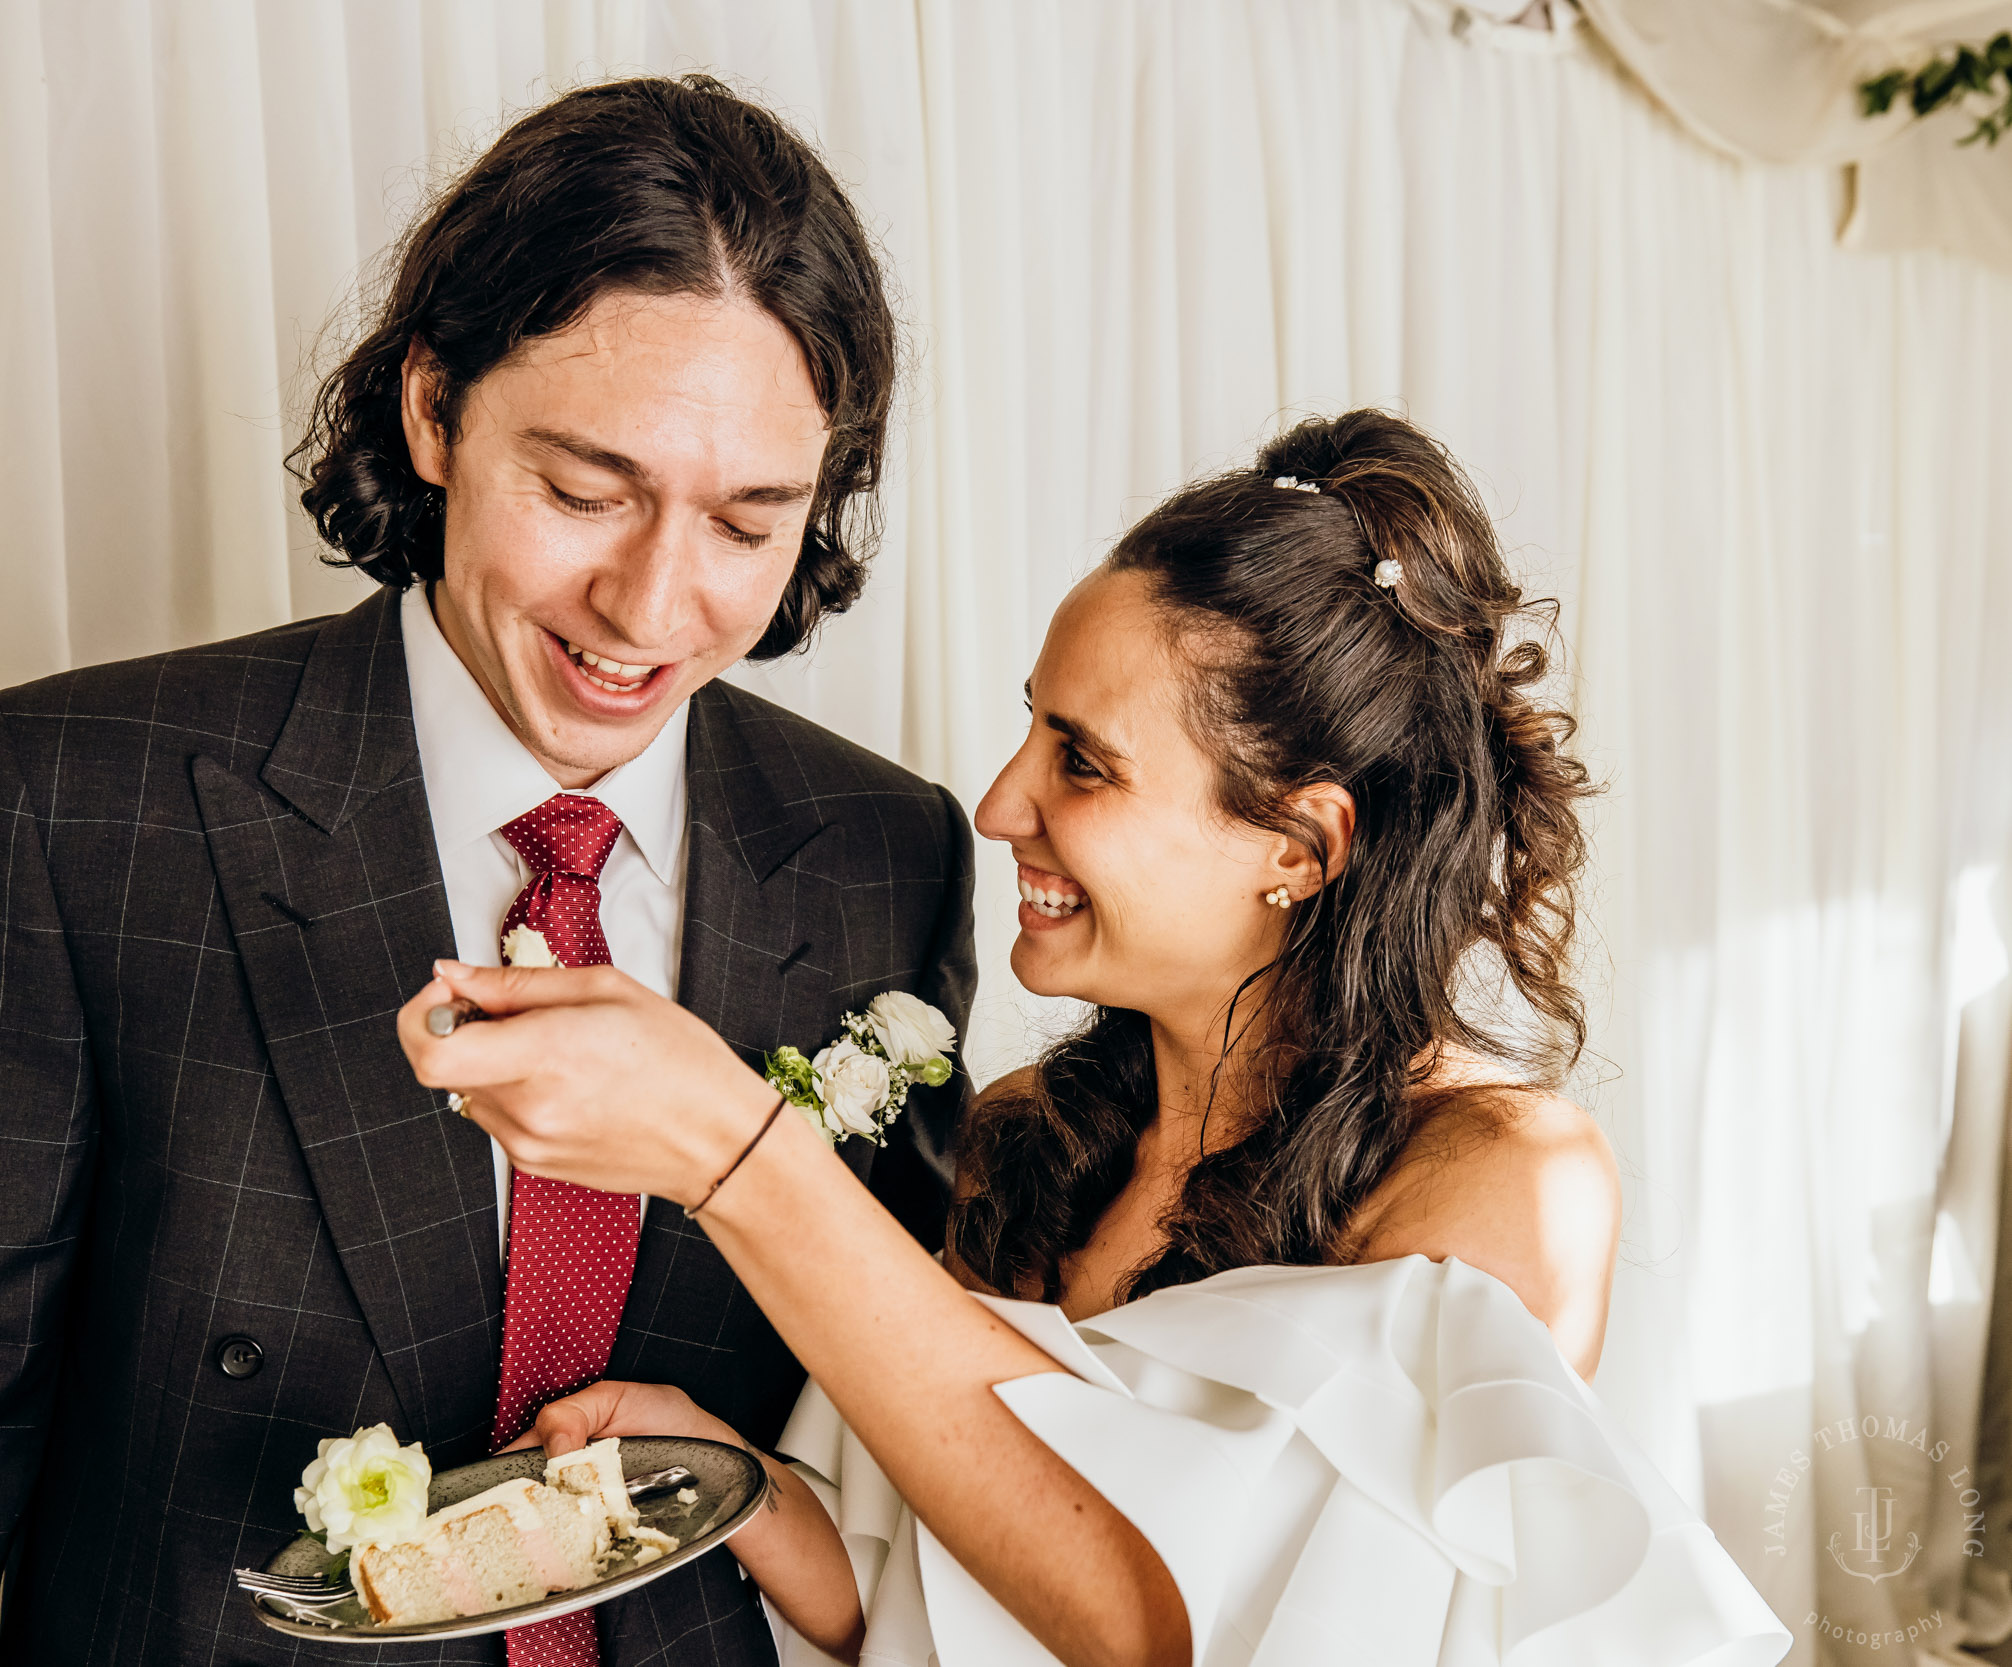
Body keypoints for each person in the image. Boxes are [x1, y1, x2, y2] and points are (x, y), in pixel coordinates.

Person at [0, 76, 975, 1667]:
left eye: (748, 522)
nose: (656, 607)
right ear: (434, 411)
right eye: (587, 492)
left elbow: (914, 1432)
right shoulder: (70, 805)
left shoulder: (895, 854)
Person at [398, 410, 1791, 1667]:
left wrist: (735, 1150)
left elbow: (1159, 1626)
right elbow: (932, 1595)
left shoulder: (1497, 1178)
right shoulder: (1030, 1135)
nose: (1000, 807)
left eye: (1083, 761)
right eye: (1029, 733)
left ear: (1299, 844)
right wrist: (735, 1487)